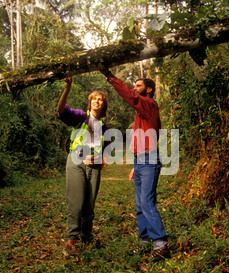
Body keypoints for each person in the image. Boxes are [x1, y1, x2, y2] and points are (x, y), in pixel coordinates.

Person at [100, 69, 169, 261]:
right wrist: (134, 165)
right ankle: (146, 243)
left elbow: (130, 96)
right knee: (139, 204)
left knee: (147, 202)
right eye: (134, 86)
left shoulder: (149, 104)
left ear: (148, 89)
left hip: (149, 159)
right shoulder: (141, 113)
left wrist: (111, 77)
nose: (134, 88)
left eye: (138, 86)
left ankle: (161, 243)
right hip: (141, 161)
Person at [57, 77, 109, 255]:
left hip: (93, 166)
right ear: (90, 102)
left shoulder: (104, 126)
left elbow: (108, 145)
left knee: (89, 204)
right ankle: (71, 240)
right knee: (76, 202)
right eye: (94, 98)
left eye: (100, 99)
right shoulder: (81, 117)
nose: (97, 101)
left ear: (103, 105)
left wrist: (104, 158)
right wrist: (67, 88)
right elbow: (61, 111)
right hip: (77, 162)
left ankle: (87, 238)